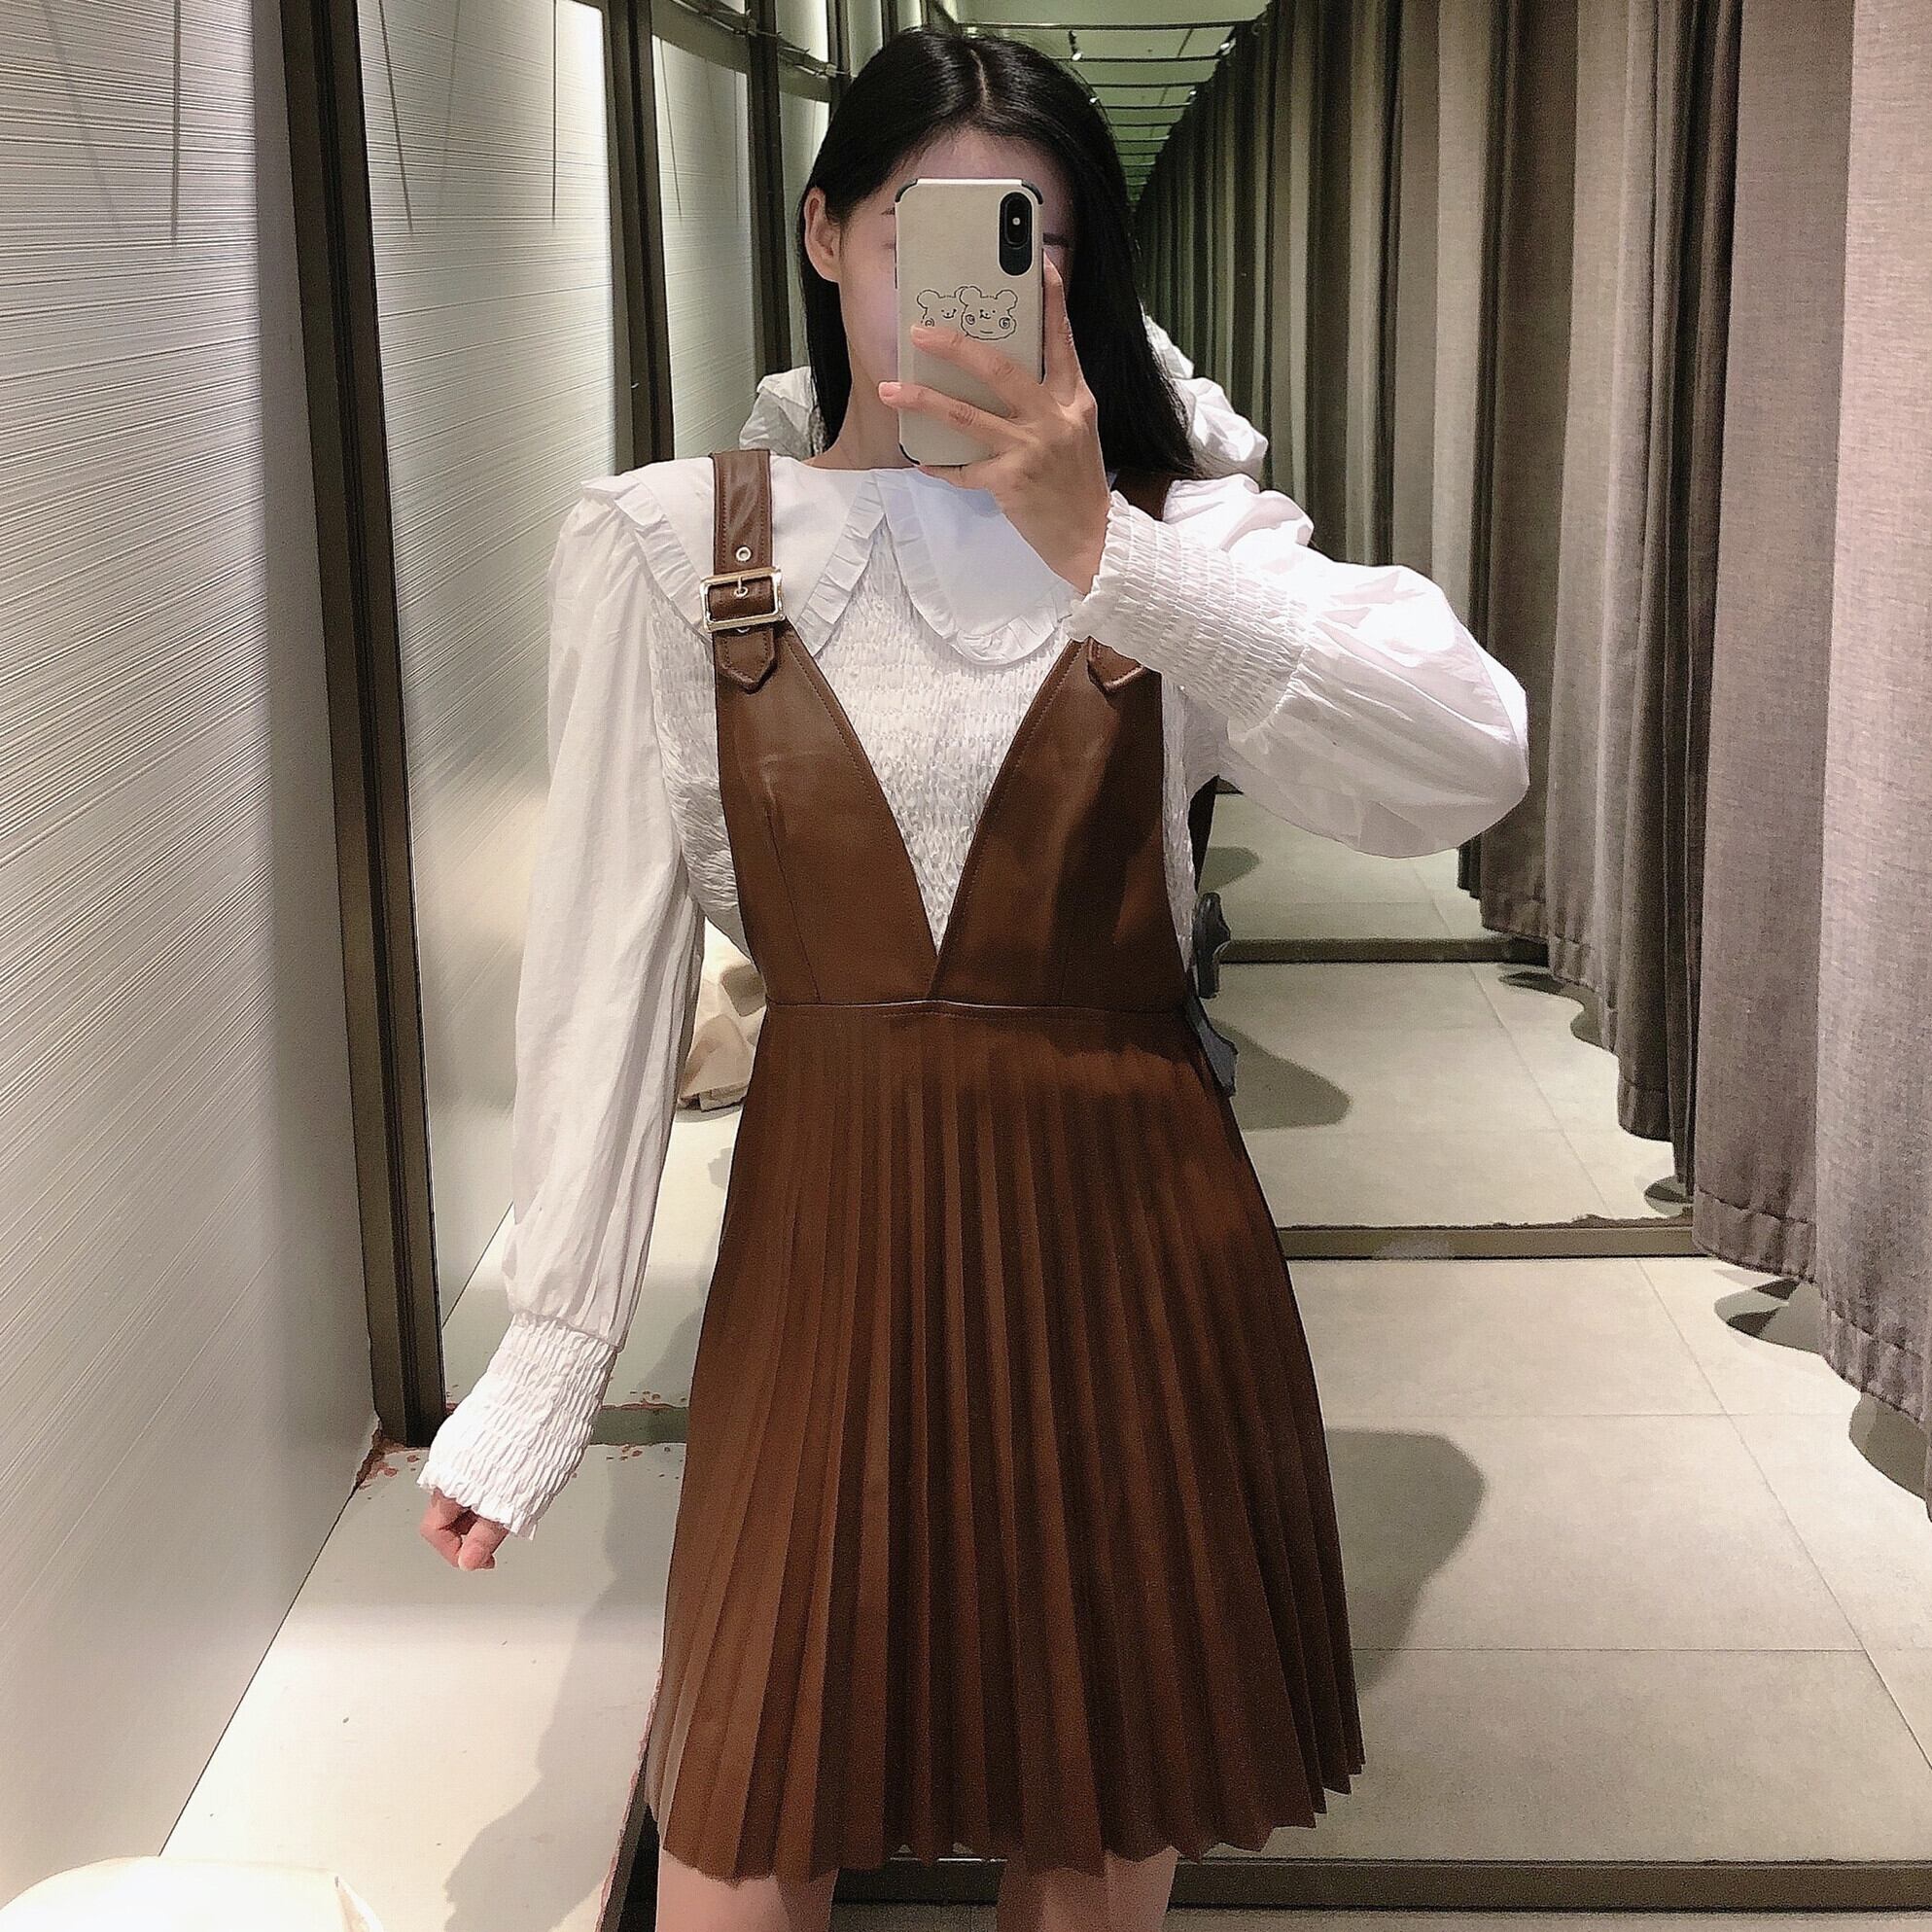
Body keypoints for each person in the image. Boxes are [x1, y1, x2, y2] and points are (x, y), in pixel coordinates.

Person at [417, 25, 1529, 1932]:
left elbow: (1467, 758)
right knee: (746, 1820)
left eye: (1038, 241)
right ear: (826, 234)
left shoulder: (1184, 539)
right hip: (823, 1247)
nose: (977, 282)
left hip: (1132, 1246)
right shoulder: (669, 545)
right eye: (920, 231)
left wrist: (1107, 545)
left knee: (1089, 1829)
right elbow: (603, 978)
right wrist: (550, 1364)